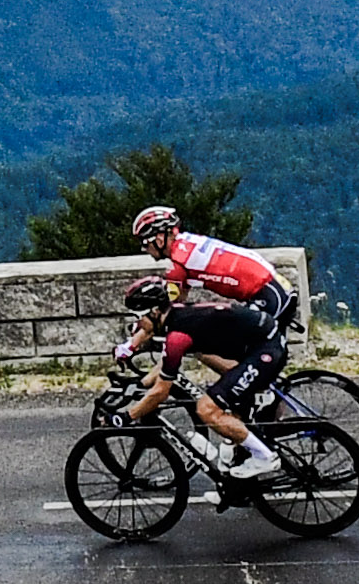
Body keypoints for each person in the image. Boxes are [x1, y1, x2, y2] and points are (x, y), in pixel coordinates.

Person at [117, 206, 292, 486]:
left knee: (216, 371)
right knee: (201, 346)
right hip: (271, 289)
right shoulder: (186, 247)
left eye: (147, 243)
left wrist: (131, 344)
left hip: (268, 299)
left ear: (160, 237)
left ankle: (260, 404)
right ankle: (246, 413)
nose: (146, 249)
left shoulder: (177, 264)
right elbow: (170, 307)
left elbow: (159, 312)